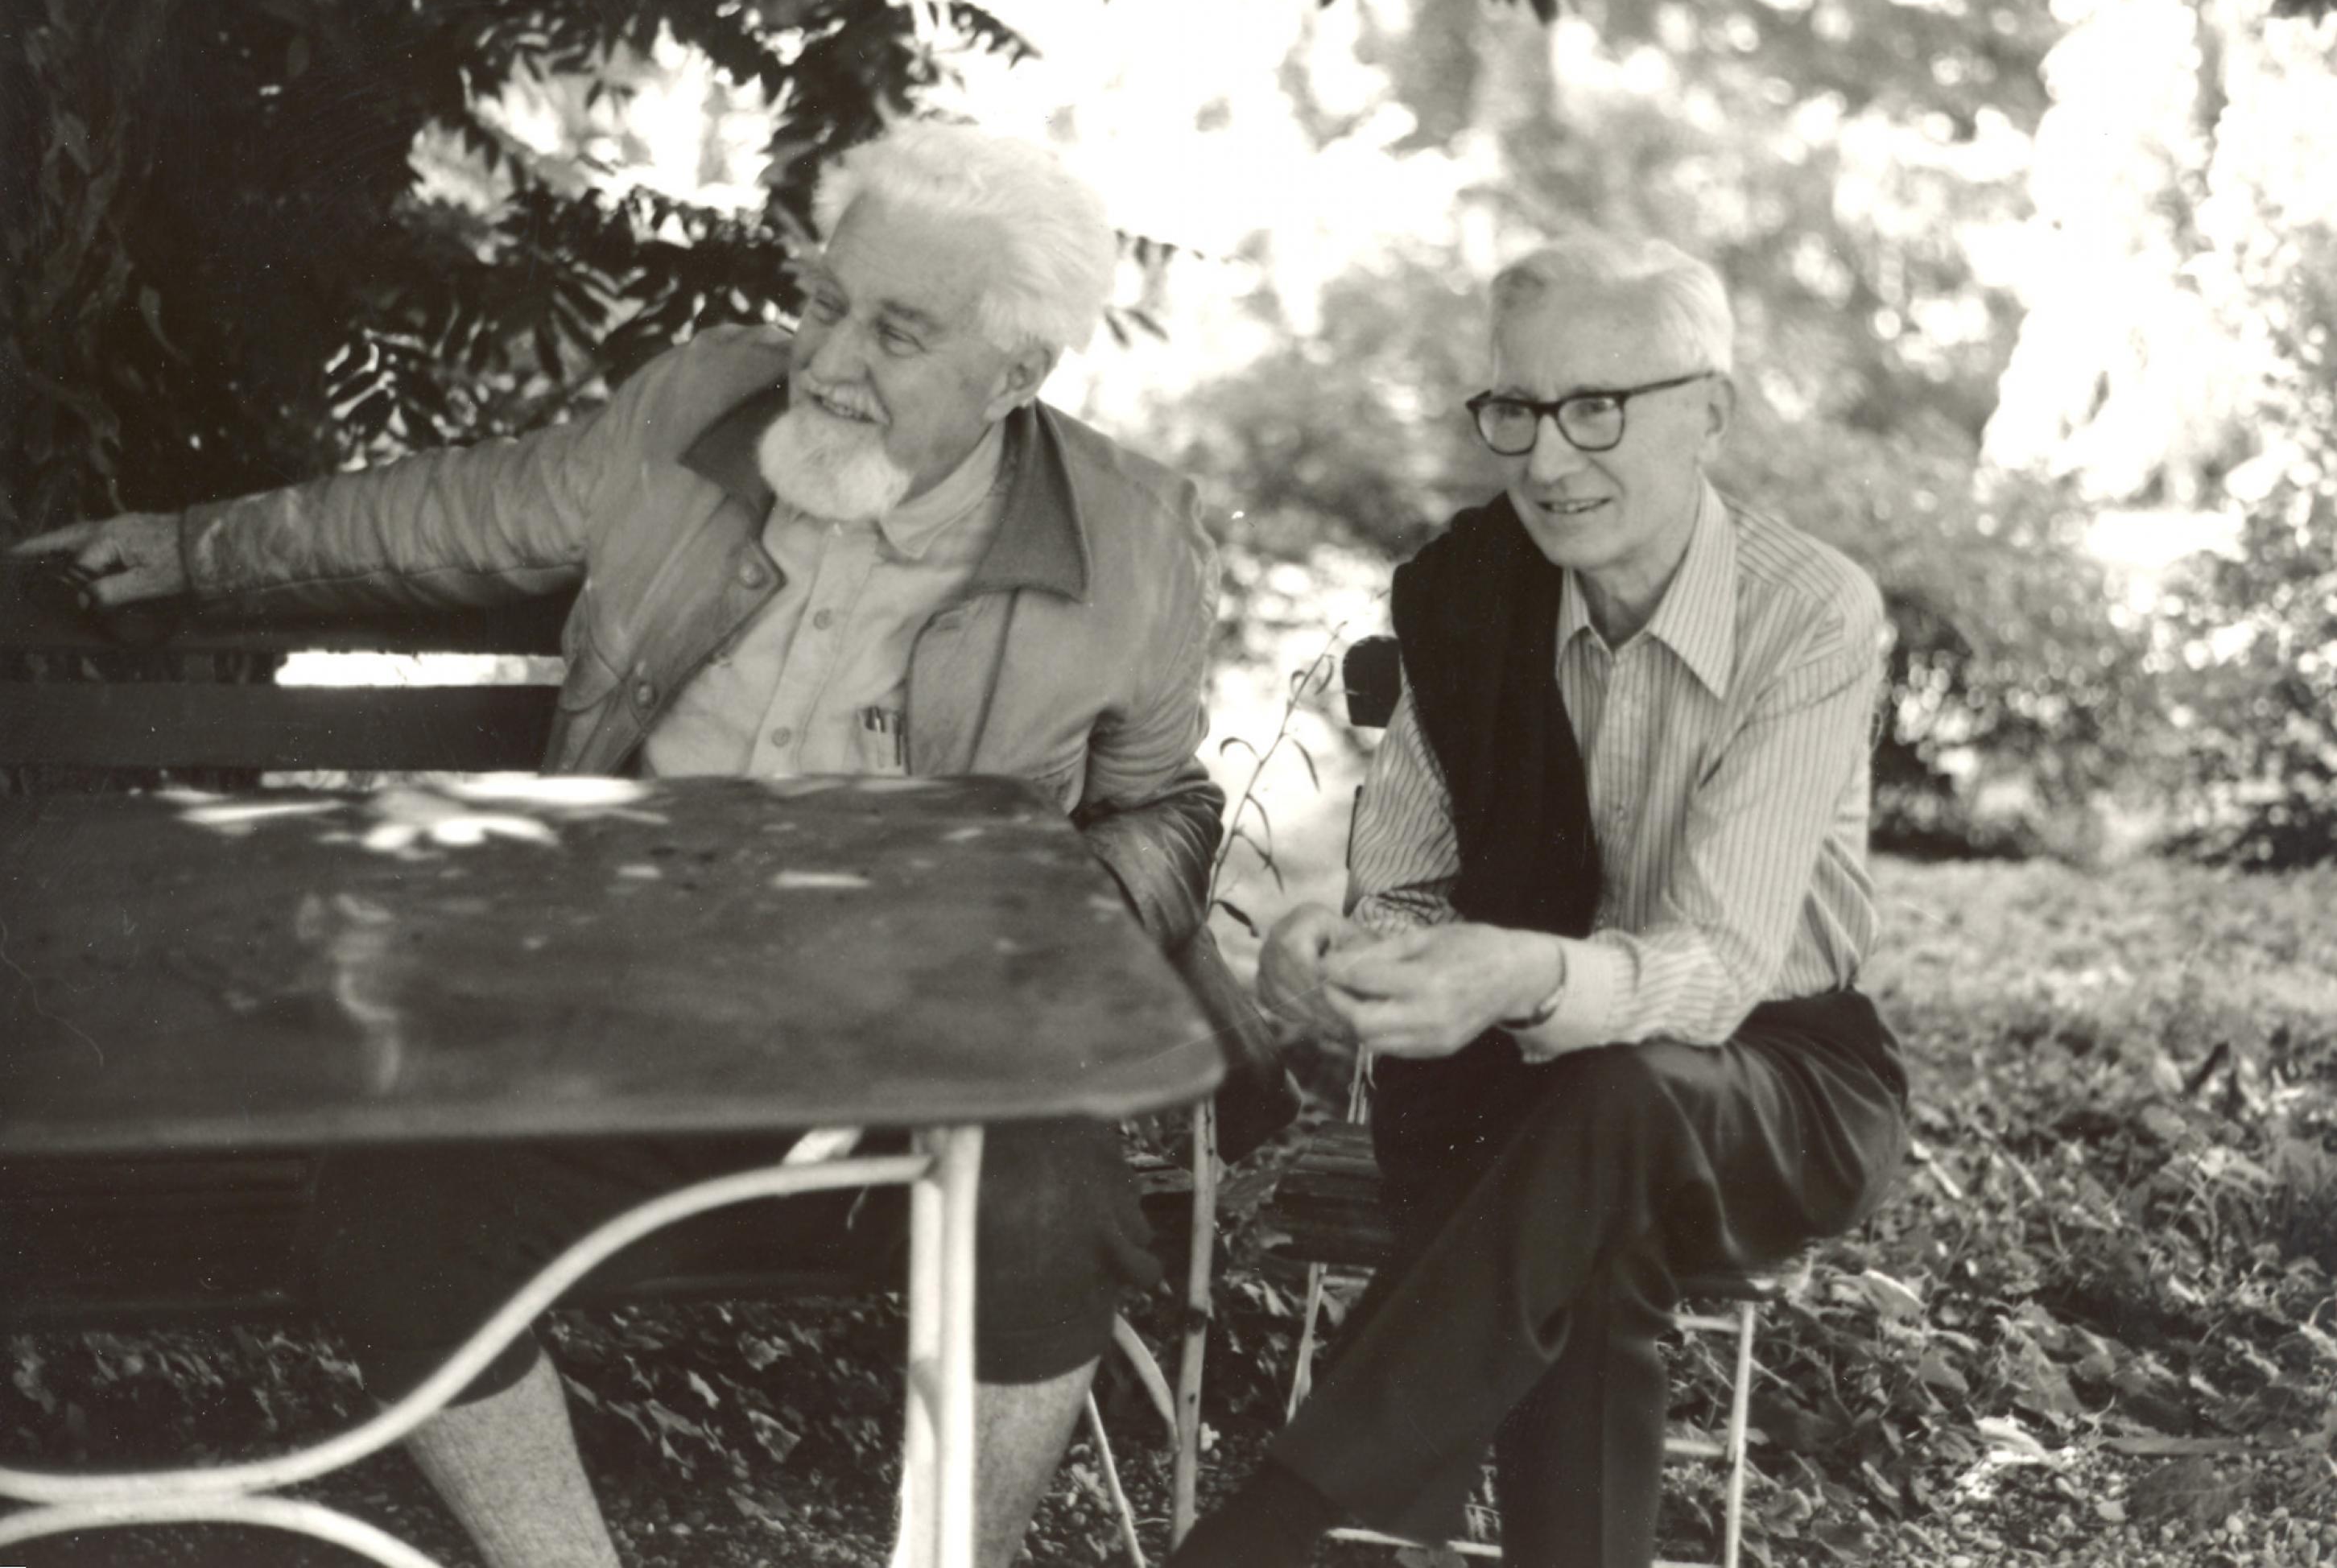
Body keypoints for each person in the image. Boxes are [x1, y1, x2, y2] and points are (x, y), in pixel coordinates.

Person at [18, 120, 1279, 1568]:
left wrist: (1063, 920)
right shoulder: (697, 412)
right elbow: (447, 518)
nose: (826, 360)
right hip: (623, 1016)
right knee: (393, 1220)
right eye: (824, 300)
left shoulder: (1133, 539)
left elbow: (1165, 804)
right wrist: (194, 550)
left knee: (1057, 1212)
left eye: (897, 332)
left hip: (932, 1047)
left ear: (1015, 376)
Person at [1168, 234, 1910, 1568]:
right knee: (1584, 1195)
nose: (1549, 461)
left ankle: (1278, 1533)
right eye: (1517, 410)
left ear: (1711, 414)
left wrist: (1518, 976)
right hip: (1531, 1114)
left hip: (1777, 1086)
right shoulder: (1462, 596)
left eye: (1598, 410)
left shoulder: (1808, 614)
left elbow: (1726, 964)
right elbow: (1401, 894)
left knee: (1616, 1101)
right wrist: (1338, 958)